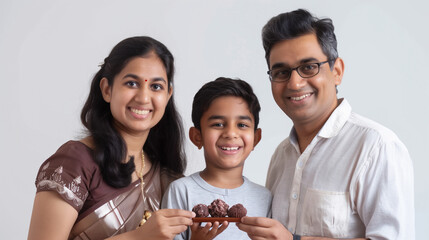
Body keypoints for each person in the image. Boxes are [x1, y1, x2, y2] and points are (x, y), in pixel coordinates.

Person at [237, 9, 414, 240]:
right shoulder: (281, 157)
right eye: (281, 72)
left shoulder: (377, 146)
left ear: (337, 71)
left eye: (308, 67)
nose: (295, 83)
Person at [28, 36, 195, 240]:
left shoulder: (167, 176)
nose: (143, 98)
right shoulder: (74, 163)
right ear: (107, 89)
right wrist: (136, 238)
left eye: (156, 86)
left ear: (168, 95)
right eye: (132, 83)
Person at [161, 77, 272, 240]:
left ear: (256, 138)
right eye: (218, 124)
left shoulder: (264, 197)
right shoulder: (181, 191)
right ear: (197, 136)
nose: (231, 133)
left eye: (242, 125)